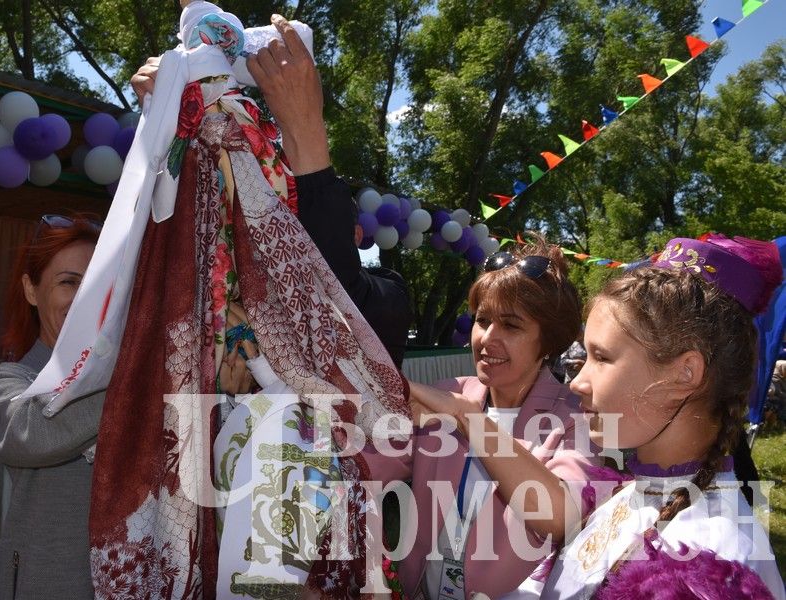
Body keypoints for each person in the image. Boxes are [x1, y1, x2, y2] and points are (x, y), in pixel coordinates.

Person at [415, 234, 785, 599]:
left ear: (684, 374)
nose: (577, 383)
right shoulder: (626, 495)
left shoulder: (705, 567)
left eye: (602, 358)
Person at [131, 13, 413, 369]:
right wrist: (166, 121)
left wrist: (303, 120)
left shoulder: (391, 295)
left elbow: (335, 298)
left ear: (355, 234)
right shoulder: (225, 283)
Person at [363, 237, 599, 599]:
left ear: (549, 341)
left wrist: (467, 419)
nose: (487, 338)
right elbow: (363, 469)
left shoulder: (576, 417)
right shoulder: (448, 391)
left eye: (511, 325)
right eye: (482, 320)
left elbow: (562, 517)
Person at [0, 215, 103, 599]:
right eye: (68, 282)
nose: (85, 298)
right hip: (47, 581)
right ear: (31, 290)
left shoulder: (130, 372)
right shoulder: (6, 381)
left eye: (98, 284)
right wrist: (132, 378)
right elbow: (33, 433)